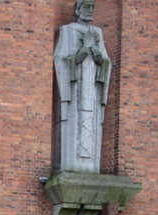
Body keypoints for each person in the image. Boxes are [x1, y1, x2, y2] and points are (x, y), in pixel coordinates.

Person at [53, 0, 111, 173]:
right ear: (77, 10)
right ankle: (72, 163)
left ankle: (89, 165)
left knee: (91, 121)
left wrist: (96, 52)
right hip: (75, 86)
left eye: (92, 8)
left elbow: (106, 62)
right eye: (86, 7)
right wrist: (82, 52)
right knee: (76, 122)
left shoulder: (97, 33)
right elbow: (60, 60)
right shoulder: (67, 31)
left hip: (92, 86)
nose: (90, 11)